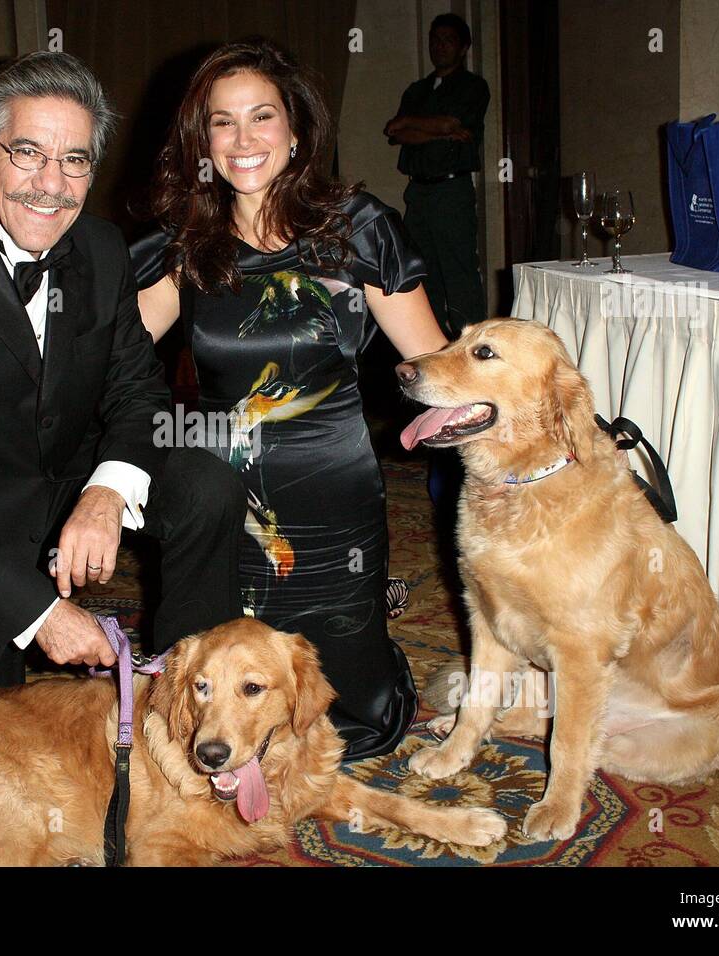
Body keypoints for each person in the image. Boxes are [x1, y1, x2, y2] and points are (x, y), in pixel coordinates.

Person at [0, 52, 245, 708]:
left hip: (66, 480)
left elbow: (137, 391)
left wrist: (105, 495)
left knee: (205, 484)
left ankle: (192, 685)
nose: (52, 185)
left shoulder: (101, 249)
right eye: (27, 152)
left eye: (75, 160)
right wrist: (41, 615)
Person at [132, 39, 449, 761]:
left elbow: (433, 362)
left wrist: (530, 412)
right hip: (228, 495)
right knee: (225, 682)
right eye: (222, 122)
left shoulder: (357, 229)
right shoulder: (184, 247)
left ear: (297, 131)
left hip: (336, 494)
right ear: (201, 140)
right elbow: (111, 364)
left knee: (347, 710)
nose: (243, 140)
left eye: (262, 117)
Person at [384, 12, 490, 339]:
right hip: (418, 192)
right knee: (421, 271)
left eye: (447, 40)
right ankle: (429, 347)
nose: (439, 46)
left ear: (462, 48)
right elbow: (395, 131)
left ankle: (473, 347)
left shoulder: (473, 86)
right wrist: (439, 130)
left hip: (451, 191)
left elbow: (451, 122)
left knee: (459, 273)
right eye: (435, 40)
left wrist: (415, 125)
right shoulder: (418, 90)